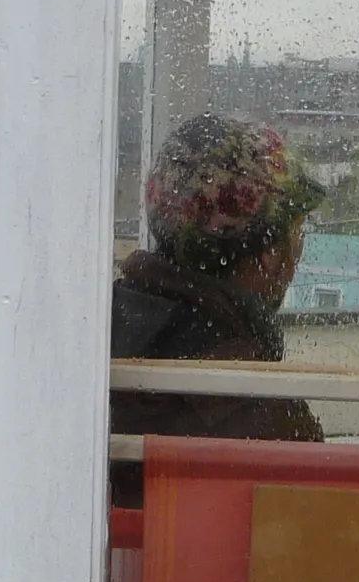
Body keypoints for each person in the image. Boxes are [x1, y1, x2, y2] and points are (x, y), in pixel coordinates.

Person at [111, 115, 325, 504]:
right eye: (298, 233)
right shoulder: (264, 416)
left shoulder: (95, 336)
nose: (299, 252)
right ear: (270, 254)